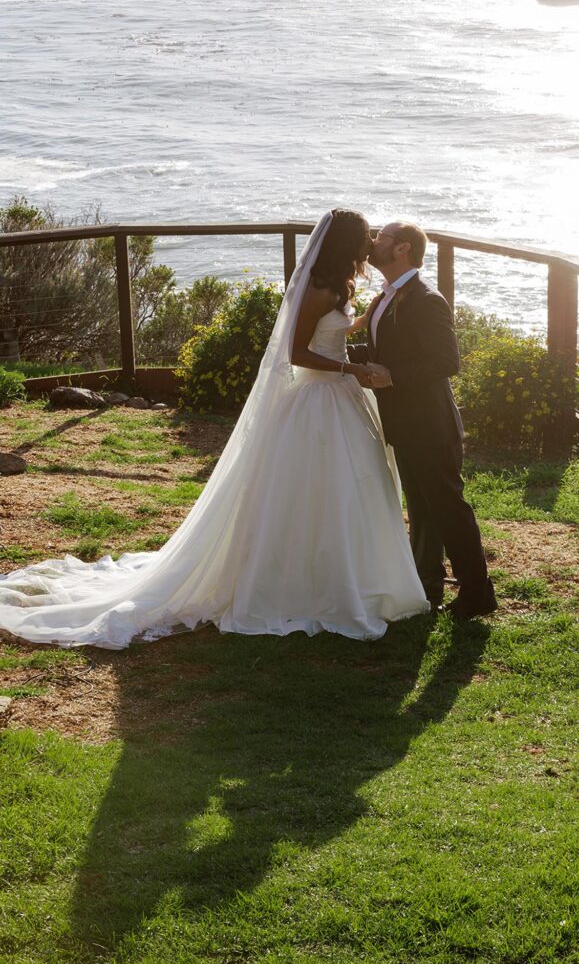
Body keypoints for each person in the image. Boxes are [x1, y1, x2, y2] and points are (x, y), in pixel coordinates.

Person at [0, 210, 429, 649]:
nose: (371, 242)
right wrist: (351, 368)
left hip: (341, 397)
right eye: (365, 237)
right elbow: (297, 352)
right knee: (311, 488)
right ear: (345, 243)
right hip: (318, 399)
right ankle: (304, 583)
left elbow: (329, 333)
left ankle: (344, 574)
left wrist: (361, 320)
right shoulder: (318, 289)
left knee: (346, 488)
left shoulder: (339, 287)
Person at [347, 220, 497, 619]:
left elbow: (447, 361)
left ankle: (479, 594)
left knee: (448, 509)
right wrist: (333, 357)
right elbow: (385, 349)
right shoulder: (384, 298)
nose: (373, 241)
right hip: (402, 422)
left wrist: (392, 375)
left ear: (403, 249)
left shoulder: (427, 300)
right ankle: (427, 587)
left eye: (381, 237)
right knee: (423, 511)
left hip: (430, 424)